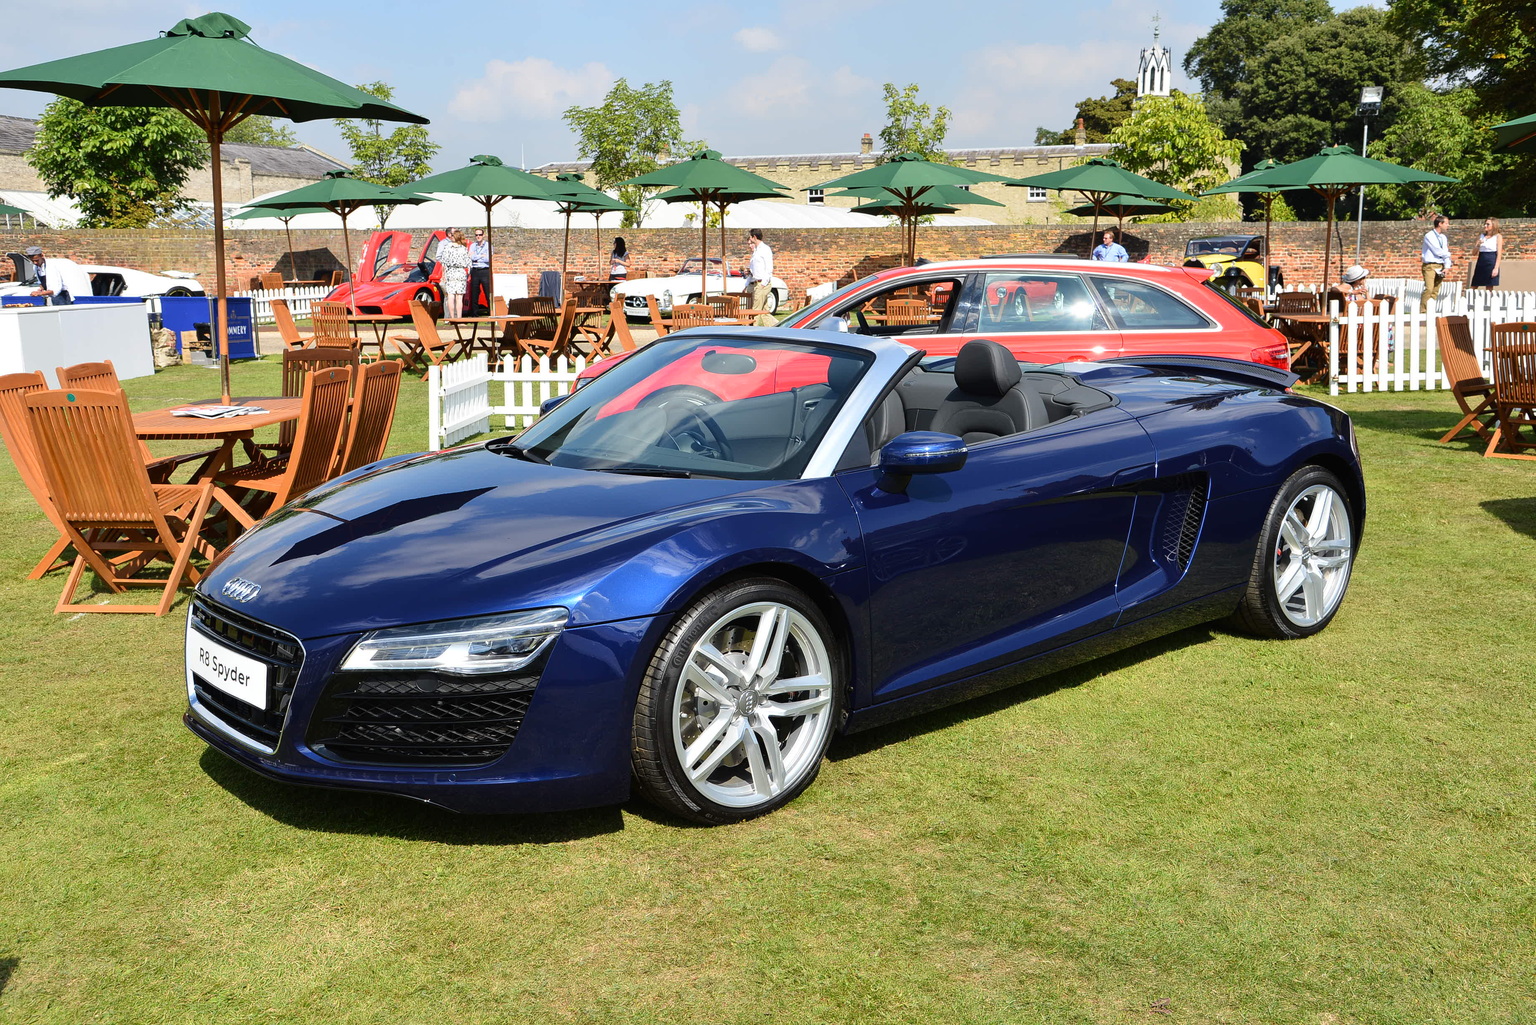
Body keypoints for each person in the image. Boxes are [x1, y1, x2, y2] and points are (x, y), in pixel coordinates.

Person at [25, 245, 90, 304]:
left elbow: (56, 290)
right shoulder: (35, 267)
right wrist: (41, 289)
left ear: (42, 256)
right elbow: (41, 282)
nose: (35, 263)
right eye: (32, 261)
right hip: (50, 297)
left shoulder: (51, 267)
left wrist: (40, 293)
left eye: (37, 260)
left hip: (62, 297)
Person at [437, 229, 470, 320]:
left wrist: (443, 275)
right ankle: (459, 317)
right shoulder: (463, 249)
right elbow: (468, 263)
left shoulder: (447, 247)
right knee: (459, 297)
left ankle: (451, 317)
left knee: (450, 296)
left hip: (450, 272)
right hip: (460, 272)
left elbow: (443, 262)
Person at [744, 228, 773, 325]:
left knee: (755, 311)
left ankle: (753, 332)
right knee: (764, 312)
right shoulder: (756, 251)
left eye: (751, 238)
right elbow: (755, 269)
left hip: (761, 284)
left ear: (754, 237)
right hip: (756, 283)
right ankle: (780, 329)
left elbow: (769, 268)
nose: (750, 240)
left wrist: (763, 284)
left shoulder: (765, 249)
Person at [1421, 214, 1452, 300]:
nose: (1448, 225)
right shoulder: (1429, 236)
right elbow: (1437, 251)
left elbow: (1444, 252)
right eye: (1446, 223)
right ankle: (1423, 311)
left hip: (1440, 265)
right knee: (1429, 289)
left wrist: (1447, 266)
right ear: (1440, 224)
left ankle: (1431, 309)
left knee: (1435, 290)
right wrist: (1448, 254)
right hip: (1430, 266)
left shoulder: (1443, 237)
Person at [1470, 217, 1502, 289]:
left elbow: (1499, 254)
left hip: (1491, 261)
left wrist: (1496, 268)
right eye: (1485, 224)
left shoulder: (1498, 236)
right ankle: (1468, 299)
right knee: (1474, 284)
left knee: (1489, 285)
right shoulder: (1482, 236)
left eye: (1488, 224)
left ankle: (1488, 300)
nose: (1485, 226)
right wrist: (1477, 245)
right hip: (1481, 261)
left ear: (1493, 225)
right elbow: (1474, 253)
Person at [466, 228, 492, 315]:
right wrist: (481, 256)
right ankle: (475, 313)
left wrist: (476, 257)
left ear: (483, 235)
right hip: (475, 271)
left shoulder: (488, 245)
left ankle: (490, 312)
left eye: (480, 235)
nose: (478, 237)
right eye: (476, 235)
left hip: (485, 270)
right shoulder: (472, 246)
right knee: (474, 293)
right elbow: (471, 257)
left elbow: (488, 258)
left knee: (488, 292)